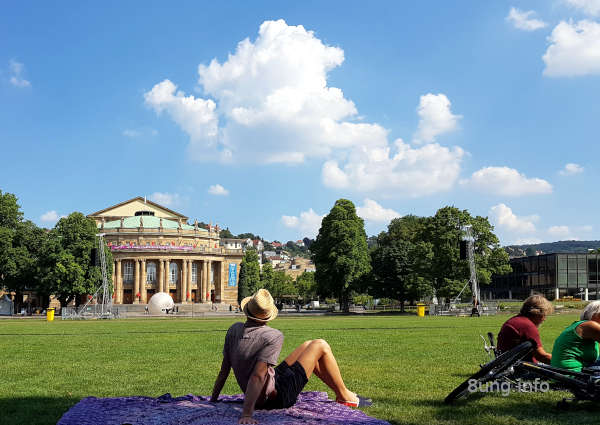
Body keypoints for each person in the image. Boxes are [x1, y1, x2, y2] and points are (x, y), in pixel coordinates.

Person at [210, 289, 371, 424]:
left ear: (248, 311)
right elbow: (257, 377)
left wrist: (213, 399)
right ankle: (344, 395)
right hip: (276, 398)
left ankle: (343, 394)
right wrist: (246, 414)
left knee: (309, 345)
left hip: (270, 383)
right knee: (320, 345)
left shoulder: (234, 330)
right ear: (267, 315)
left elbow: (224, 369)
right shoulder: (272, 335)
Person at [496, 294, 553, 364]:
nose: (544, 319)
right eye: (544, 315)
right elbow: (541, 356)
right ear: (538, 313)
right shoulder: (527, 326)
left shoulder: (515, 320)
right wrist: (563, 362)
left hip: (507, 365)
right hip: (522, 369)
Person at [551, 300, 600, 372]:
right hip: (574, 375)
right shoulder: (590, 326)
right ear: (595, 315)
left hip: (565, 373)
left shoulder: (580, 325)